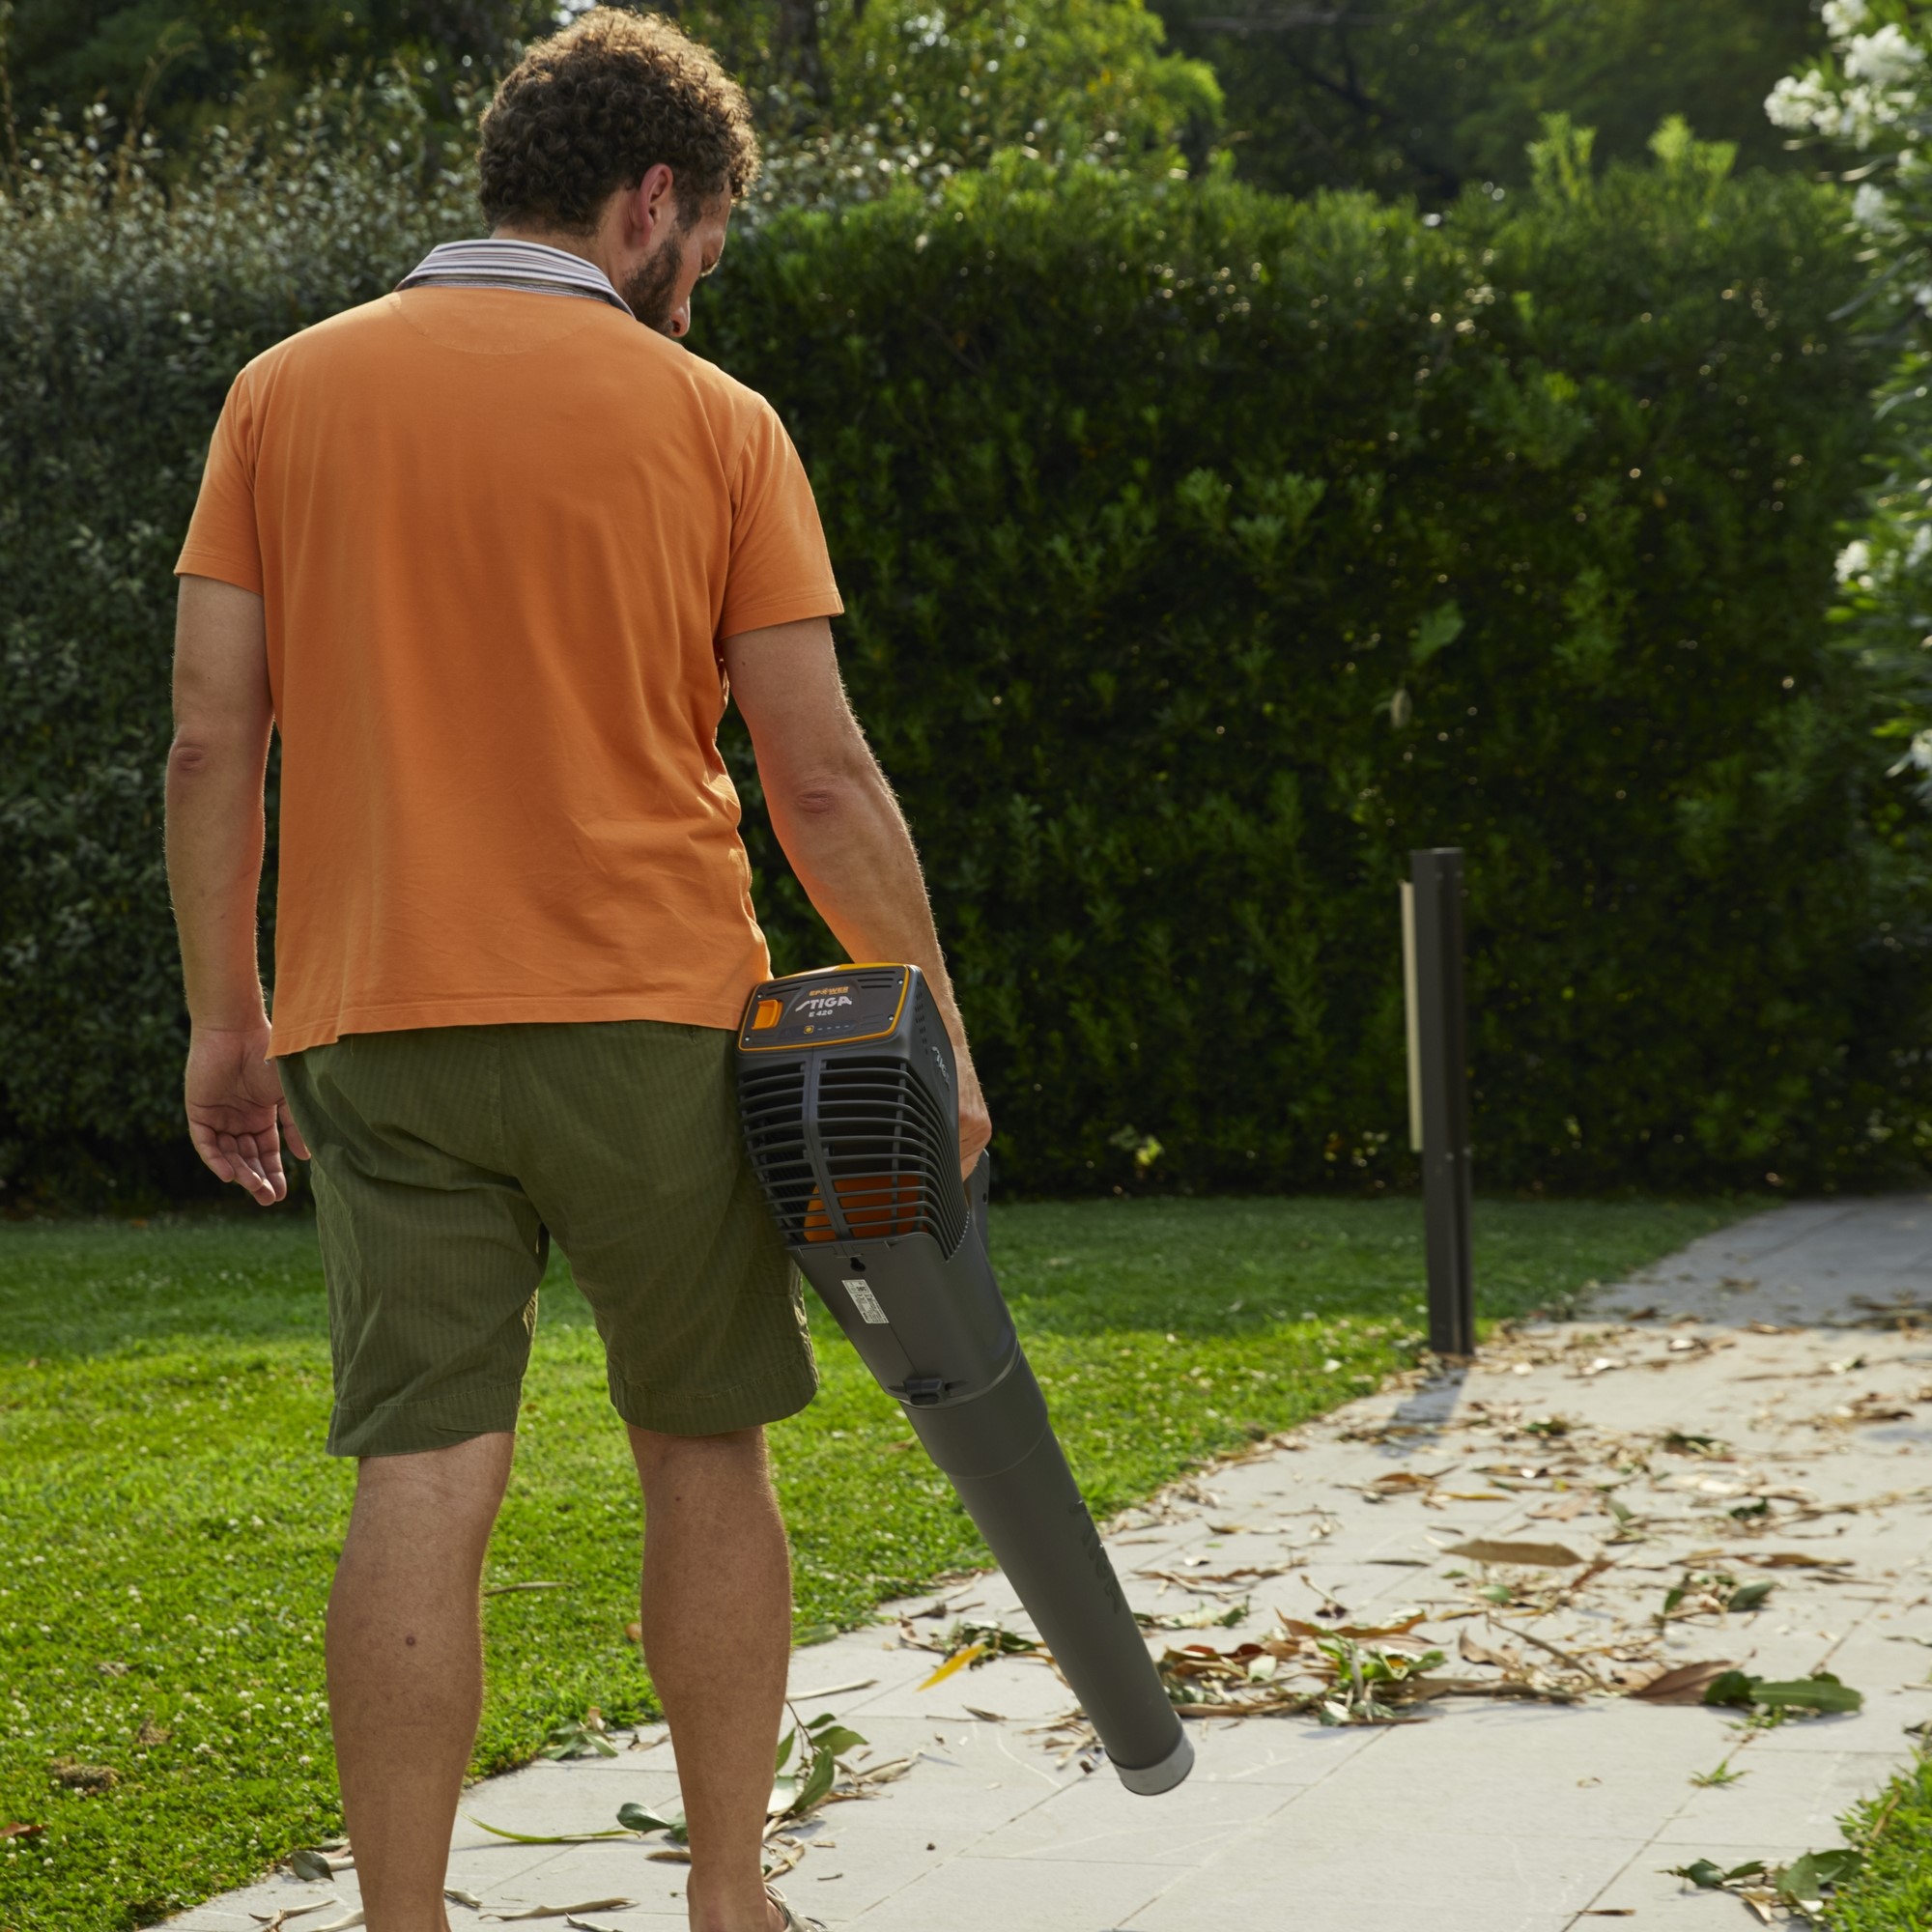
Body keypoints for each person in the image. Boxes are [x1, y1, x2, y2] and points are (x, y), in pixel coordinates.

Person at [163, 12, 991, 1932]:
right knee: (701, 1447)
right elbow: (816, 770)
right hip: (650, 1022)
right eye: (703, 241)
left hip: (377, 1021)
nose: (699, 282)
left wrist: (230, 1019)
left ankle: (399, 1920)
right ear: (649, 203)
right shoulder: (714, 425)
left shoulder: (283, 392)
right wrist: (923, 1012)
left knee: (423, 1473)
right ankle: (723, 1896)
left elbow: (216, 740)